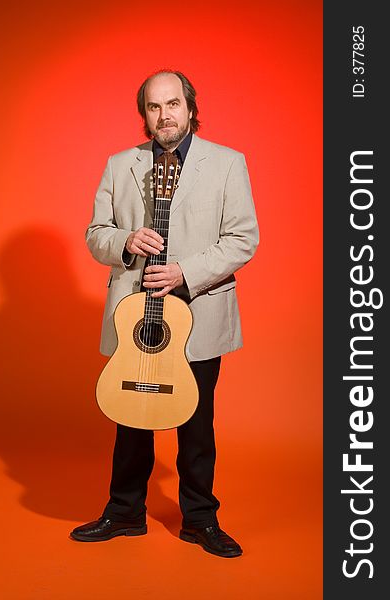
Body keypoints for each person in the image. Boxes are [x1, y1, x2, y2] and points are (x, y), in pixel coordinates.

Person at [70, 70, 259, 558]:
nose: (165, 115)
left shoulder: (226, 164)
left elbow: (243, 239)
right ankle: (124, 512)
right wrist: (124, 242)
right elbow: (96, 233)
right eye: (154, 107)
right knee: (130, 415)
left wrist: (184, 272)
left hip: (198, 311)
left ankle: (200, 519)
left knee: (196, 423)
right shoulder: (120, 165)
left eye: (173, 104)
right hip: (135, 318)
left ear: (190, 108)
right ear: (144, 115)